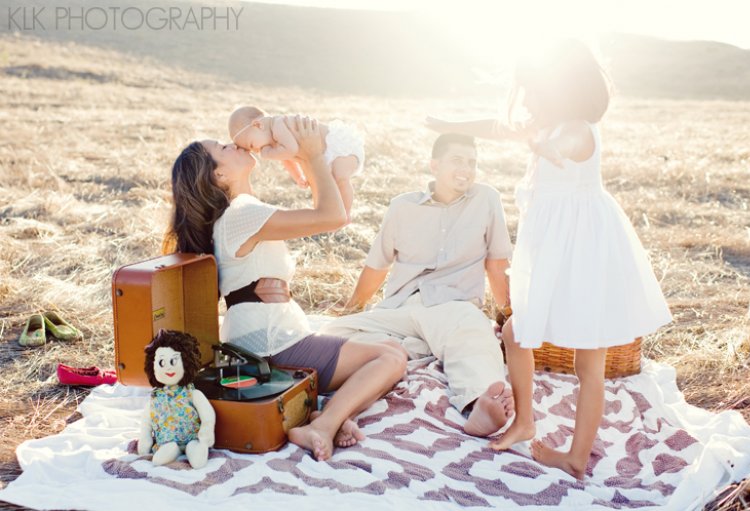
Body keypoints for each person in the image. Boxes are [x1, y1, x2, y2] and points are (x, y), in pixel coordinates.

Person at [427, 39, 672, 479]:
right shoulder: (547, 124)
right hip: (554, 248)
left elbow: (570, 143)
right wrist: (447, 123)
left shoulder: (577, 129)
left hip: (585, 254)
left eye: (535, 89)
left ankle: (576, 458)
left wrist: (549, 148)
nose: (529, 99)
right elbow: (499, 127)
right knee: (516, 333)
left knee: (587, 362)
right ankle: (524, 421)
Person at [163, 116, 406, 461]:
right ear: (219, 176)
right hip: (272, 345)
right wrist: (311, 155)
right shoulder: (240, 214)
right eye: (222, 147)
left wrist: (311, 159)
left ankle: (334, 416)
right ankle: (323, 425)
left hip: (266, 340)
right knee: (391, 358)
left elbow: (338, 212)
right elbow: (332, 218)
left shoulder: (240, 214)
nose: (233, 143)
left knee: (389, 347)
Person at [320, 133, 515, 438]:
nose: (466, 168)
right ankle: (416, 351)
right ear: (434, 165)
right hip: (400, 308)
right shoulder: (402, 206)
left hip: (453, 307)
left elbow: (497, 263)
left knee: (475, 334)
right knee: (333, 334)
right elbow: (377, 265)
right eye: (457, 160)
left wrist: (507, 313)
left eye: (472, 162)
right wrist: (352, 309)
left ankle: (479, 401)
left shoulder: (486, 199)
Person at [228, 106, 363, 222]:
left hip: (341, 146)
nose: (257, 151)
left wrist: (268, 153)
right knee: (331, 181)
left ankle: (346, 214)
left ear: (258, 125)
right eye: (252, 150)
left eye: (252, 145)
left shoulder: (278, 125)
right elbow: (287, 159)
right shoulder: (275, 141)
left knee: (340, 177)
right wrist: (298, 177)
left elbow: (291, 150)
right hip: (327, 153)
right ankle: (337, 213)